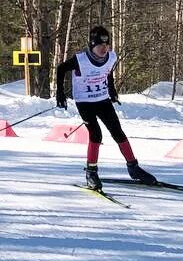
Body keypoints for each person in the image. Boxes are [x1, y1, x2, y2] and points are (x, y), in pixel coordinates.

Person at [55, 25, 156, 190]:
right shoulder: (80, 60)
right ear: (92, 45)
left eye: (106, 45)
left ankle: (134, 168)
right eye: (100, 45)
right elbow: (60, 69)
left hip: (103, 100)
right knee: (96, 134)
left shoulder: (111, 57)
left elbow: (107, 72)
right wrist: (60, 93)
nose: (104, 48)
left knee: (118, 132)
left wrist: (112, 90)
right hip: (85, 103)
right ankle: (91, 172)